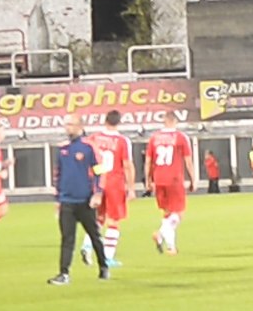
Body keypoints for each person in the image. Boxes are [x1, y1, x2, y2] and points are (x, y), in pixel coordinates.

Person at [48, 114, 109, 285]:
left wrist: (98, 193)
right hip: (67, 201)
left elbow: (100, 170)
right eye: (65, 124)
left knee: (94, 236)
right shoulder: (62, 149)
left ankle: (103, 266)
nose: (68, 128)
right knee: (67, 238)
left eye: (71, 124)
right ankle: (63, 273)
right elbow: (57, 175)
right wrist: (57, 199)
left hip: (85, 201)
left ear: (80, 126)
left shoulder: (89, 147)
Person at [80, 110, 134, 268]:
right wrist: (130, 187)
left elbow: (84, 158)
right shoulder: (122, 140)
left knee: (98, 218)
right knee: (114, 220)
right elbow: (127, 165)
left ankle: (87, 245)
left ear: (105, 120)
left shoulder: (94, 138)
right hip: (113, 182)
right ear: (118, 122)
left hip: (96, 182)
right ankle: (108, 257)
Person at [146, 111, 197, 256]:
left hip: (159, 179)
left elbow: (148, 161)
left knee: (167, 213)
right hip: (174, 179)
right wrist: (193, 179)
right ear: (175, 121)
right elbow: (188, 161)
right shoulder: (180, 137)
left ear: (164, 121)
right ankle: (164, 238)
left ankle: (169, 245)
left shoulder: (154, 138)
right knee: (179, 214)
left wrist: (148, 180)